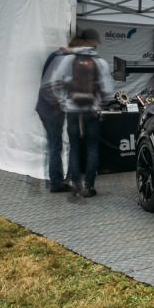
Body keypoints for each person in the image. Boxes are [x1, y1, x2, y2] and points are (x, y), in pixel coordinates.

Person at [49, 30, 115, 197]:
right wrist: (100, 103)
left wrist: (64, 100)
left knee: (74, 147)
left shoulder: (69, 59)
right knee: (92, 148)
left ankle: (75, 184)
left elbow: (57, 83)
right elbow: (107, 91)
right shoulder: (100, 62)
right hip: (91, 112)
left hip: (72, 111)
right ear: (94, 43)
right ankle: (89, 186)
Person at [36, 38, 75, 192]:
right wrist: (59, 103)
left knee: (53, 145)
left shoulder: (56, 55)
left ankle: (55, 180)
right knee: (55, 146)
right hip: (51, 111)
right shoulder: (61, 58)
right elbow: (48, 85)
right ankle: (56, 183)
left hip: (46, 109)